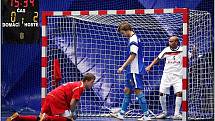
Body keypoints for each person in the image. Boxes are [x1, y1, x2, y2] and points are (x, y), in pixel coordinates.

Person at [6, 73, 96, 121]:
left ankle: (17, 117)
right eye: (92, 82)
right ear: (86, 81)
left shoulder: (76, 84)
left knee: (39, 118)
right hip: (58, 99)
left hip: (50, 96)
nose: (92, 84)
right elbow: (72, 103)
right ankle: (47, 118)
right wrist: (72, 113)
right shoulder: (80, 87)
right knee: (68, 120)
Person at [110, 21, 151, 121]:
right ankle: (121, 114)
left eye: (123, 33)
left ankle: (146, 115)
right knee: (127, 90)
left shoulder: (133, 40)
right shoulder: (133, 38)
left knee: (137, 91)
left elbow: (133, 55)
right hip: (131, 70)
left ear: (127, 30)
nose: (123, 35)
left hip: (134, 70)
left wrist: (122, 67)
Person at [145, 36, 185, 120]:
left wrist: (194, 52)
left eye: (171, 41)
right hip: (166, 75)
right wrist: (150, 66)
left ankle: (177, 114)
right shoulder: (166, 50)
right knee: (161, 93)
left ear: (176, 42)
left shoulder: (183, 49)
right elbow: (158, 58)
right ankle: (164, 112)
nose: (169, 43)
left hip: (178, 76)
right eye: (169, 41)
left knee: (179, 92)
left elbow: (190, 56)